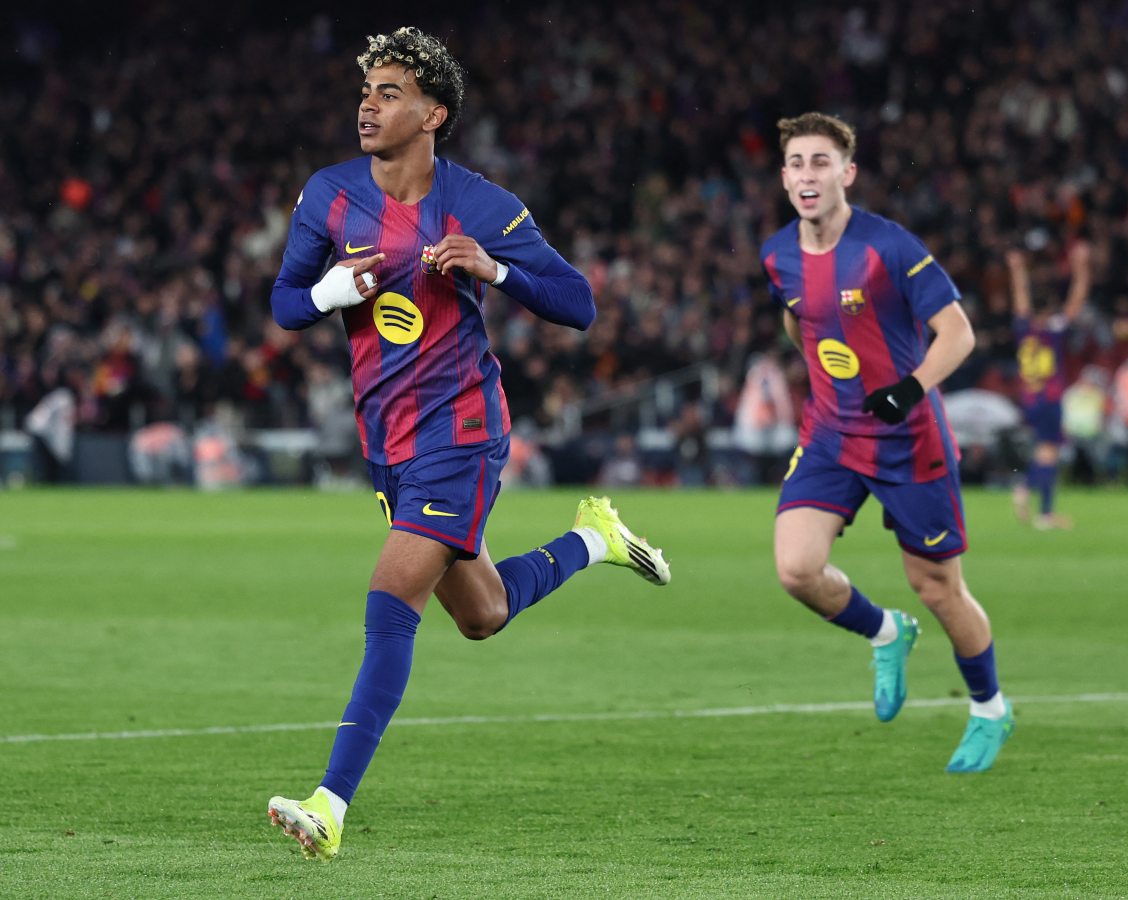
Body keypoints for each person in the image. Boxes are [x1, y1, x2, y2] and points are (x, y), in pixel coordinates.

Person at [264, 27, 670, 862]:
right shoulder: (328, 196)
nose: (368, 105)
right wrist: (328, 290)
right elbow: (283, 305)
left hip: (463, 429)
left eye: (389, 93)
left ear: (433, 113)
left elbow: (578, 302)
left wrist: (494, 271)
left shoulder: (478, 202)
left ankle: (330, 804)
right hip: (387, 438)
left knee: (390, 602)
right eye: (367, 90)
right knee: (481, 614)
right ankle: (595, 540)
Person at [759, 112, 1013, 774]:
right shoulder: (777, 254)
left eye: (820, 162)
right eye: (796, 163)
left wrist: (910, 387)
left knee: (937, 586)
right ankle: (885, 632)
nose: (807, 175)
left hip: (907, 441)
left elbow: (958, 333)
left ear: (847, 173)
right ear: (784, 176)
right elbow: (798, 321)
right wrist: (819, 370)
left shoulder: (889, 247)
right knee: (796, 569)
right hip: (830, 436)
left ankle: (989, 707)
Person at [1006, 240, 1091, 528]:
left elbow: (1020, 297)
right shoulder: (1053, 332)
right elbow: (1077, 301)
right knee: (1049, 452)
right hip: (1050, 397)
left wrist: (1017, 269)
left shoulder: (1024, 330)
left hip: (1029, 397)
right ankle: (1029, 492)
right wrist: (1080, 267)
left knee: (1047, 451)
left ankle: (1045, 512)